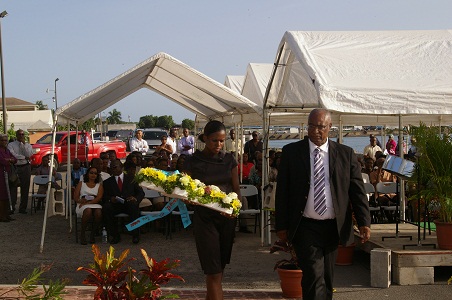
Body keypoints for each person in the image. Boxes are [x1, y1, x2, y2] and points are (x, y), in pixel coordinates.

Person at [275, 108, 371, 300]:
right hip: (305, 225)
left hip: (333, 226)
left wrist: (364, 222)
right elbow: (282, 191)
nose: (315, 131)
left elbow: (357, 191)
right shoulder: (291, 152)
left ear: (330, 127)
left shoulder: (346, 154)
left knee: (327, 278)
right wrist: (282, 225)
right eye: (311, 126)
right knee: (312, 275)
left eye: (320, 127)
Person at [182, 120, 241, 300]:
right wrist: (190, 200)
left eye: (222, 141)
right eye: (215, 140)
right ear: (205, 138)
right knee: (213, 270)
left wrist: (232, 209)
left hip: (226, 219)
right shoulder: (192, 161)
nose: (219, 145)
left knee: (219, 269)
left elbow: (236, 190)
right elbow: (185, 192)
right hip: (205, 220)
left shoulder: (229, 159)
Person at [102, 159, 144, 244]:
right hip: (116, 205)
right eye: (111, 168)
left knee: (134, 206)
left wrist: (135, 198)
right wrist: (111, 199)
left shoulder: (131, 178)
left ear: (121, 167)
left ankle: (135, 235)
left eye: (115, 167)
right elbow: (105, 196)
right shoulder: (107, 182)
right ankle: (115, 235)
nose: (113, 169)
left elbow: (141, 193)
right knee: (107, 208)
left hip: (129, 203)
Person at [74, 166, 104, 245]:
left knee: (98, 213)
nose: (93, 175)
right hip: (83, 203)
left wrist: (89, 203)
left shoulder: (99, 185)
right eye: (91, 173)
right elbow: (76, 197)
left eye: (95, 173)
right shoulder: (81, 183)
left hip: (94, 203)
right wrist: (81, 201)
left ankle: (92, 234)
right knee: (88, 211)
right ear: (87, 174)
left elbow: (99, 198)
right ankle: (82, 234)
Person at [7, 129, 33, 214]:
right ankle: (12, 207)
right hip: (15, 167)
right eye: (20, 134)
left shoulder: (28, 145)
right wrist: (24, 157)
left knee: (25, 188)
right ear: (16, 135)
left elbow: (28, 155)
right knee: (13, 188)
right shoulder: (11, 144)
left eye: (22, 134)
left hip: (25, 167)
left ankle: (23, 208)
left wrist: (23, 145)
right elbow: (13, 155)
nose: (21, 136)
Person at [0, 134, 17, 222]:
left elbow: (15, 159)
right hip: (1, 176)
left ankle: (6, 214)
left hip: (8, 174)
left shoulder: (7, 150)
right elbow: (2, 161)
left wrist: (9, 160)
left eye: (5, 140)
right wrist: (9, 160)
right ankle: (1, 215)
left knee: (8, 195)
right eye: (2, 140)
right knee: (2, 196)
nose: (4, 142)